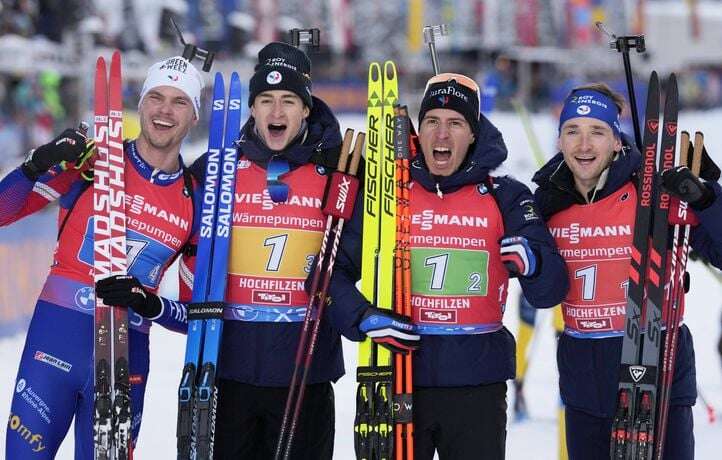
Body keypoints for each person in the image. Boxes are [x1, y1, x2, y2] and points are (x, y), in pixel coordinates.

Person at [327, 72, 569, 460]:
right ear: (418, 130)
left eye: (455, 123)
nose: (442, 135)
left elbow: (551, 291)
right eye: (432, 122)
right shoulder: (387, 195)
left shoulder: (505, 195)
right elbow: (327, 274)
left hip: (477, 386)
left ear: (473, 133)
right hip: (398, 377)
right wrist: (362, 317)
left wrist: (535, 262)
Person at [1, 55, 204, 458]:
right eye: (156, 97)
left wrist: (150, 304)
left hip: (125, 361)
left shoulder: (194, 201)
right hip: (53, 345)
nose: (165, 110)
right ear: (141, 102)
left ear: (194, 115)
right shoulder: (91, 163)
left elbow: (193, 316)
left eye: (180, 102)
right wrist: (36, 163)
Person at [180, 42, 356, 459]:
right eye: (266, 100)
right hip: (227, 371)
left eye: (289, 101)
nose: (277, 113)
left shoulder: (340, 171)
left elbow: (360, 252)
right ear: (252, 109)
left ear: (306, 109)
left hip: (305, 372)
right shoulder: (216, 167)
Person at [532, 82, 722, 460]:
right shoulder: (547, 203)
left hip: (660, 376)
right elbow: (542, 291)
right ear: (559, 140)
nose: (584, 144)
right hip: (586, 386)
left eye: (597, 132)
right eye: (573, 131)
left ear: (618, 142)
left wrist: (706, 198)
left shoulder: (655, 196)